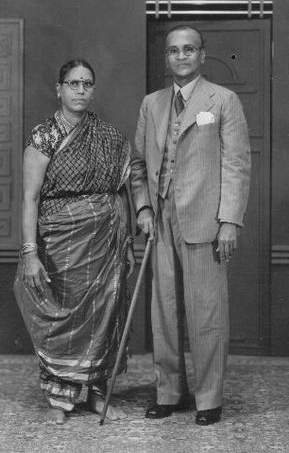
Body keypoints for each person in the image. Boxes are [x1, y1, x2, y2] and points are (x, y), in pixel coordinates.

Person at [130, 26, 251, 425]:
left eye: (189, 49)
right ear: (167, 58)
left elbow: (236, 165)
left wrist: (229, 221)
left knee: (206, 311)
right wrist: (144, 209)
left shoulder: (224, 100)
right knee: (163, 312)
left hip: (205, 220)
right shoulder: (152, 103)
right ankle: (168, 392)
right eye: (173, 51)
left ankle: (209, 398)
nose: (180, 56)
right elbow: (138, 165)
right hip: (161, 221)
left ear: (202, 54)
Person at [14, 59, 135, 424]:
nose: (80, 91)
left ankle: (99, 394)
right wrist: (30, 252)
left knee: (105, 314)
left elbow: (128, 185)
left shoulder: (110, 136)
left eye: (86, 84)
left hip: (106, 242)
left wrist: (129, 234)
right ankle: (60, 398)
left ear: (93, 90)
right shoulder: (44, 136)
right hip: (61, 243)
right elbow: (30, 198)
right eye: (73, 83)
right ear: (59, 88)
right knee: (63, 315)